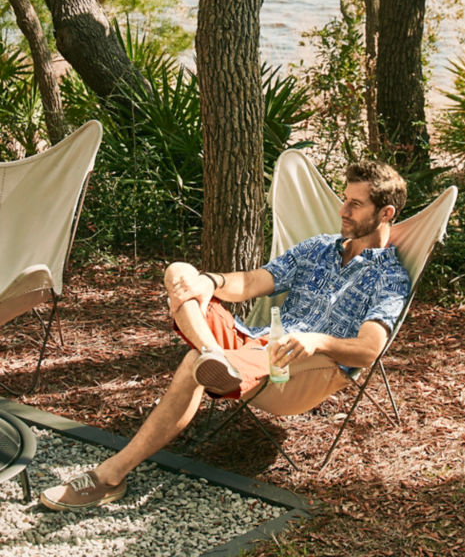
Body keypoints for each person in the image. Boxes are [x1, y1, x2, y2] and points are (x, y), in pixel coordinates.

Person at [40, 159, 411, 511]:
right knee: (180, 272)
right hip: (256, 345)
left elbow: (367, 351)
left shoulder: (389, 278)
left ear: (386, 213)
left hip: (302, 368)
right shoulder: (319, 248)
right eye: (344, 200)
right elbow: (252, 281)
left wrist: (317, 341)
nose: (344, 210)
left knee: (192, 364)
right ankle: (213, 354)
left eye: (356, 204)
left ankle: (110, 476)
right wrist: (210, 282)